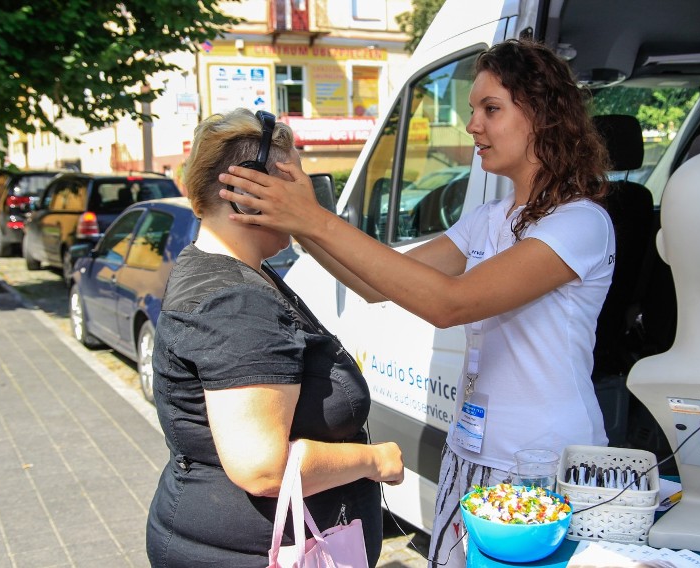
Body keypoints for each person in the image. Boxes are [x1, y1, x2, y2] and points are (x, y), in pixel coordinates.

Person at [219, 38, 614, 567]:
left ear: (543, 115)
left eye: (490, 109)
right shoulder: (488, 218)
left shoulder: (581, 222)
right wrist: (298, 222)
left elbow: (451, 303)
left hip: (541, 461)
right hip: (471, 453)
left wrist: (314, 220)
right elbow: (375, 284)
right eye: (473, 110)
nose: (472, 124)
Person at [145, 108, 404, 568]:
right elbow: (262, 467)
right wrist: (374, 460)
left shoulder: (216, 268)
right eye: (297, 186)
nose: (307, 201)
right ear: (248, 195)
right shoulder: (238, 302)